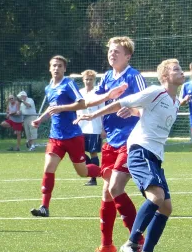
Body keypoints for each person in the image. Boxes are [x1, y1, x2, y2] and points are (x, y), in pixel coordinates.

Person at [75, 58, 184, 252]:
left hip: (155, 155)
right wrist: (94, 115)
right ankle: (132, 244)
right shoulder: (155, 91)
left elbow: (142, 112)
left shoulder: (175, 101)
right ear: (164, 77)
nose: (182, 72)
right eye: (176, 69)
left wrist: (135, 112)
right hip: (140, 149)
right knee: (156, 197)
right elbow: (121, 103)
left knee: (166, 207)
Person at [30, 55, 127, 218]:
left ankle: (106, 172)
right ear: (49, 68)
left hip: (73, 136)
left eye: (60, 66)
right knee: (48, 168)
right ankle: (44, 207)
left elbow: (81, 103)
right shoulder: (49, 87)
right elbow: (52, 107)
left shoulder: (68, 84)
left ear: (64, 69)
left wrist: (62, 108)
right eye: (54, 65)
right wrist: (40, 119)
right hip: (56, 137)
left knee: (82, 172)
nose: (56, 68)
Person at [80, 36, 147, 252]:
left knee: (114, 187)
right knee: (107, 194)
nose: (112, 54)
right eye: (110, 50)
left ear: (128, 56)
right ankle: (107, 245)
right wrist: (107, 96)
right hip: (111, 142)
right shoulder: (107, 77)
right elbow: (91, 100)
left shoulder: (134, 76)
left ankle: (137, 242)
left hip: (131, 141)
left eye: (117, 51)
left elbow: (147, 105)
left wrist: (134, 110)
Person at [77, 70, 105, 186]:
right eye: (86, 79)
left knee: (93, 152)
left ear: (94, 80)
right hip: (81, 128)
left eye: (91, 79)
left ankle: (93, 179)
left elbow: (103, 111)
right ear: (83, 80)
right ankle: (96, 172)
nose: (88, 81)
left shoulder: (97, 93)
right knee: (79, 152)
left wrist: (103, 128)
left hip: (94, 127)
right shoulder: (80, 92)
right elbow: (77, 109)